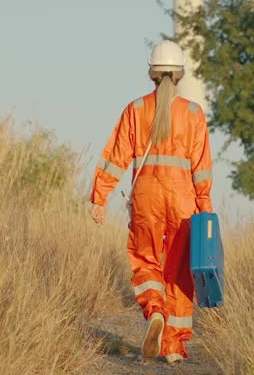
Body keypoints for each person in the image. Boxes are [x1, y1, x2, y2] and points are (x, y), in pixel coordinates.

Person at [89, 40, 214, 364]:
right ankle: (173, 347)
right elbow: (201, 170)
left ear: (152, 73)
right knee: (178, 270)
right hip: (183, 197)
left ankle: (155, 310)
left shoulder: (136, 109)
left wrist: (99, 197)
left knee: (146, 259)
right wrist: (205, 208)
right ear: (181, 74)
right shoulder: (193, 113)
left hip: (146, 194)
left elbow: (115, 156)